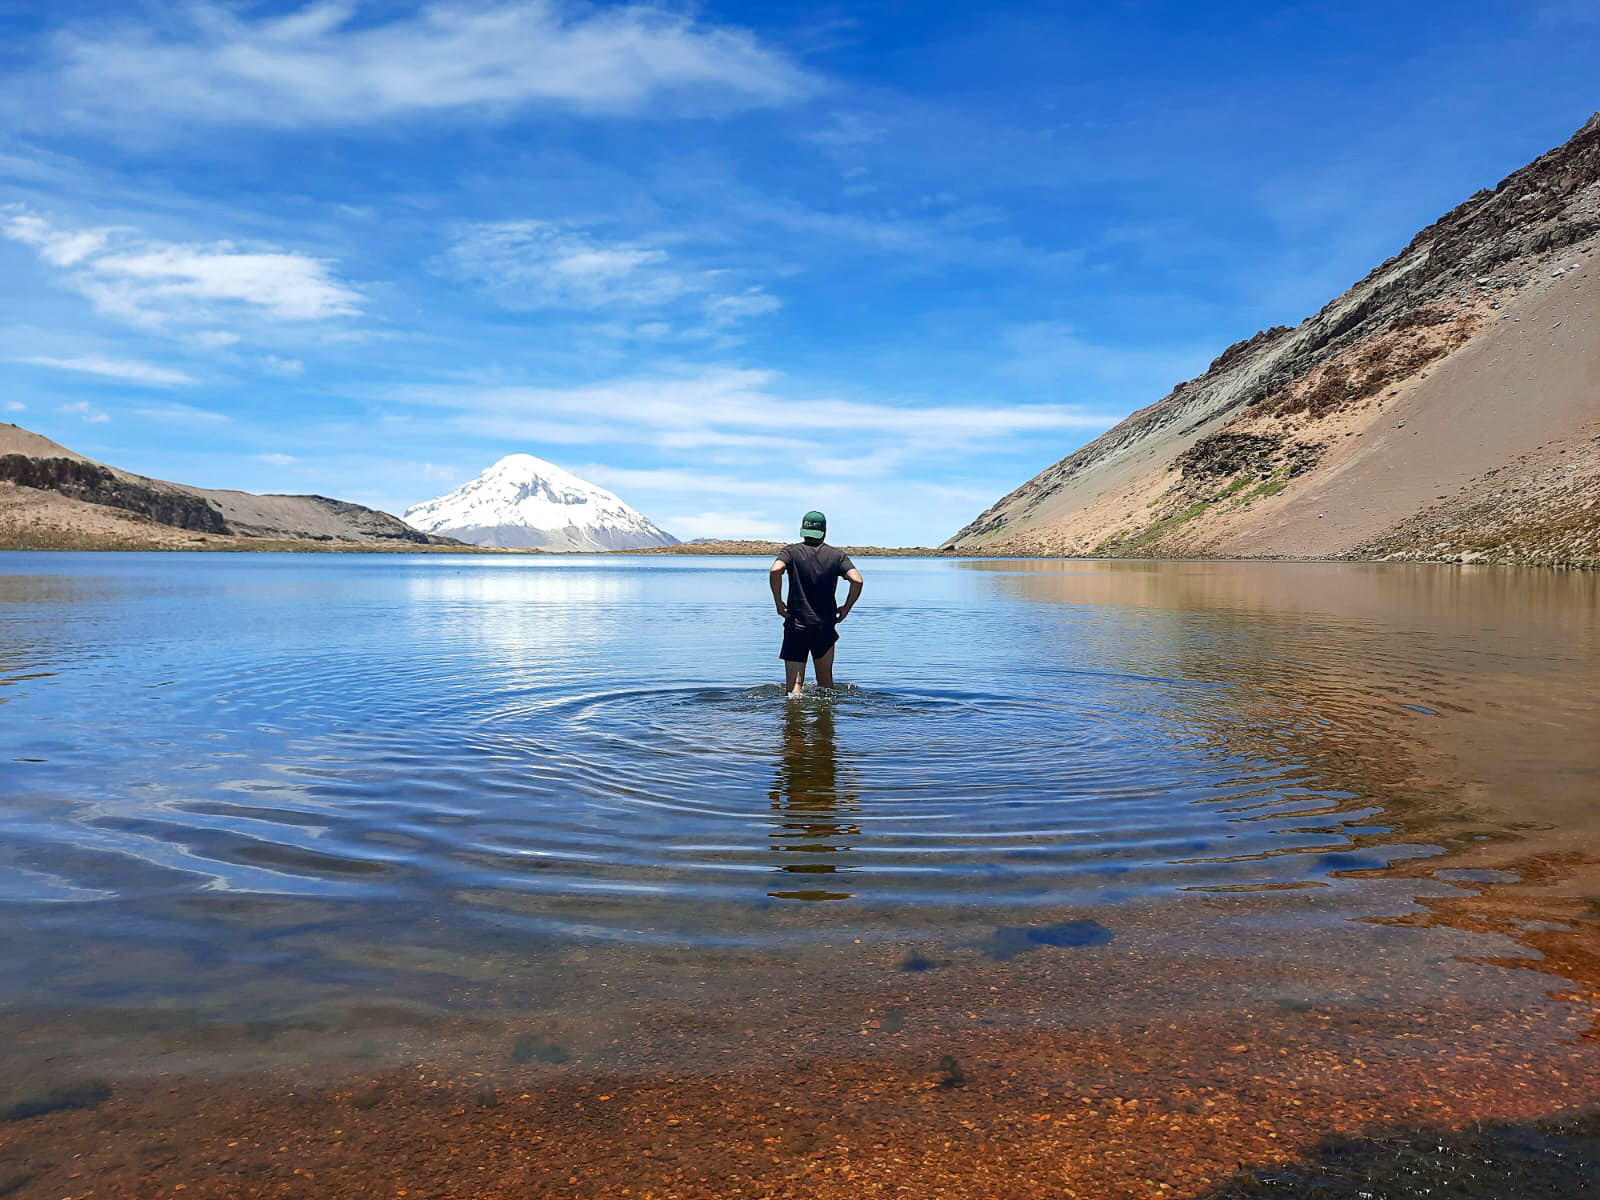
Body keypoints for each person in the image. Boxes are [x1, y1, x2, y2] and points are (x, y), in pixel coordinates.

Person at [768, 510, 864, 699]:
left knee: (794, 689)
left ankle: (794, 724)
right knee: (826, 686)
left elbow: (775, 570)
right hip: (824, 626)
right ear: (825, 531)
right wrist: (846, 607)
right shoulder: (837, 555)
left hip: (796, 625)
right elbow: (857, 581)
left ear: (803, 530)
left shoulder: (790, 552)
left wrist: (778, 603)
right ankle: (825, 724)